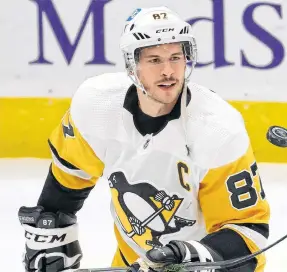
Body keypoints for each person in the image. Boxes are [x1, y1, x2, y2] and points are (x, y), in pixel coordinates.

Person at [18, 6, 270, 272]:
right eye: (154, 60)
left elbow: (248, 233)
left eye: (176, 57)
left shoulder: (217, 129)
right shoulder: (97, 105)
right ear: (132, 65)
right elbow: (67, 183)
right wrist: (51, 235)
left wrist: (185, 255)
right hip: (132, 264)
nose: (168, 71)